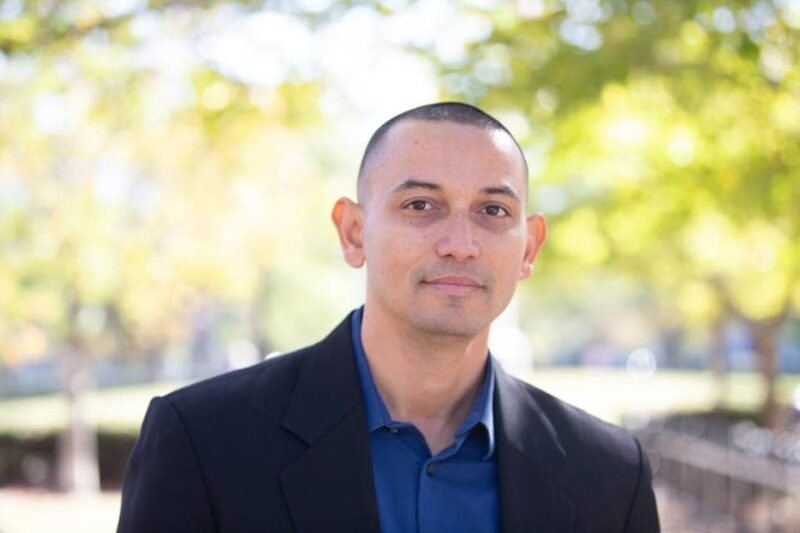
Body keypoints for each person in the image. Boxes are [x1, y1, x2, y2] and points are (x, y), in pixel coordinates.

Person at [117, 102, 660, 532]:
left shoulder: (611, 474)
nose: (460, 244)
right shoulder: (205, 443)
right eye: (421, 205)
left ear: (528, 247)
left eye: (493, 211)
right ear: (354, 233)